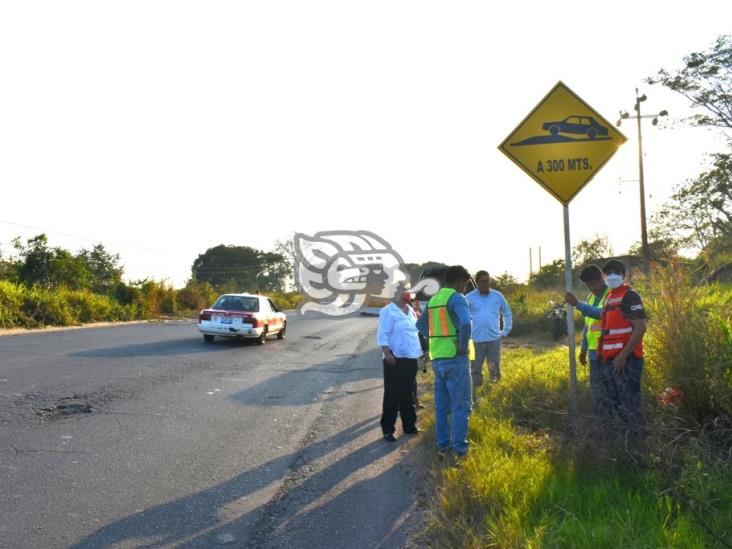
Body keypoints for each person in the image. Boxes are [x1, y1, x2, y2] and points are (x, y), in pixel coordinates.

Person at [417, 265, 473, 457]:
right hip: (455, 359)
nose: (465, 288)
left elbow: (421, 325)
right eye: (465, 284)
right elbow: (466, 323)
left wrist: (437, 338)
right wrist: (462, 345)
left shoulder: (434, 299)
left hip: (438, 359)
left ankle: (443, 444)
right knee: (461, 405)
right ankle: (459, 449)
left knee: (442, 406)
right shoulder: (457, 298)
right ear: (459, 281)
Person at [597, 259, 648, 440]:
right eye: (607, 273)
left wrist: (622, 357)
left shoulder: (629, 296)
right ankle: (627, 445)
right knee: (619, 405)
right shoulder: (610, 297)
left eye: (615, 273)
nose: (611, 276)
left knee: (631, 405)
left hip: (628, 361)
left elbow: (640, 328)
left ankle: (639, 446)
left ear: (624, 275)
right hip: (612, 361)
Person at [565, 265, 612, 422]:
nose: (592, 288)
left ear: (602, 278)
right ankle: (601, 422)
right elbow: (588, 325)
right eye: (588, 285)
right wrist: (583, 349)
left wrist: (577, 304)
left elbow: (602, 315)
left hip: (609, 352)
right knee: (597, 391)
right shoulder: (590, 297)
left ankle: (613, 422)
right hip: (593, 352)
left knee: (610, 390)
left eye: (594, 284)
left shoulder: (610, 295)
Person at [377, 289, 423, 441]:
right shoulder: (388, 311)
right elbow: (383, 333)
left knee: (407, 392)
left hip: (410, 355)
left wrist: (422, 351)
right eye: (403, 292)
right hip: (394, 357)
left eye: (407, 291)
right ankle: (388, 429)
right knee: (392, 393)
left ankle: (410, 426)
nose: (406, 294)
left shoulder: (410, 310)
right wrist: (387, 352)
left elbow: (414, 332)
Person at [466, 271, 512, 389]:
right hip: (474, 339)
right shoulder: (469, 298)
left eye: (488, 281)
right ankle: (476, 389)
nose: (486, 284)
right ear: (477, 282)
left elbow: (507, 313)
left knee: (495, 365)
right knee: (475, 367)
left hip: (494, 338)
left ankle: (495, 387)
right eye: (483, 281)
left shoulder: (498, 296)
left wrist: (505, 330)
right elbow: (463, 318)